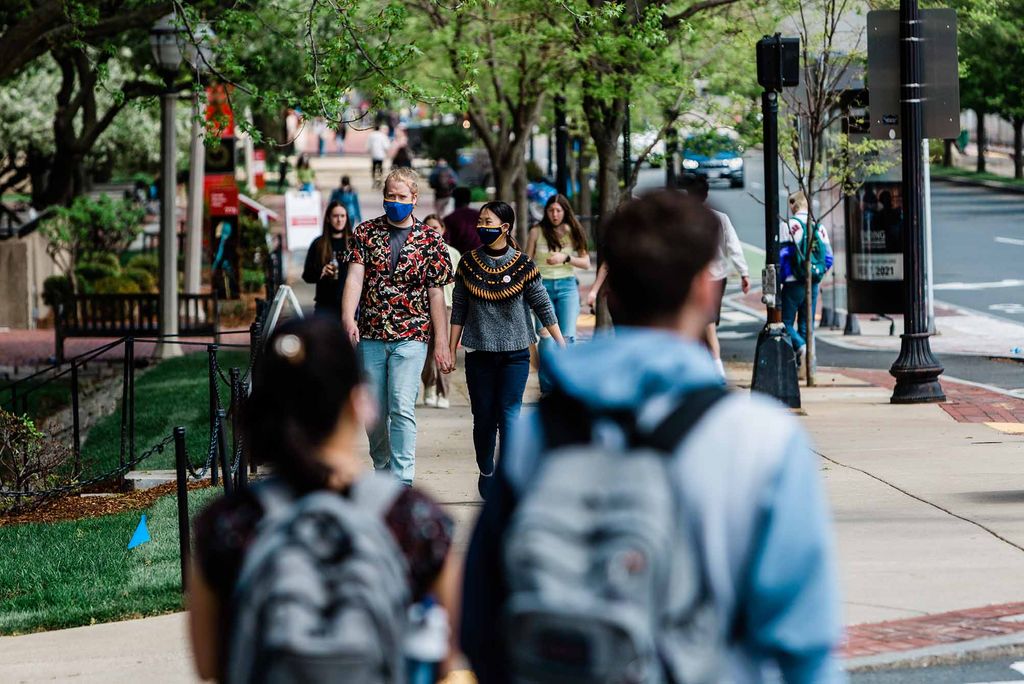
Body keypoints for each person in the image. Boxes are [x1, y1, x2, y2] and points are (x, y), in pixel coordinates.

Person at [459, 190, 844, 684]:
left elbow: (482, 621)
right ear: (705, 294)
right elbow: (802, 645)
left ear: (613, 291)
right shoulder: (759, 439)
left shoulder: (539, 433)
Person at [187, 317, 458, 682]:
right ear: (361, 404)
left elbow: (210, 665)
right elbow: (444, 658)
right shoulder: (414, 520)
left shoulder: (227, 524)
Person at [341, 168, 454, 486]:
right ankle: (383, 468)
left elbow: (437, 294)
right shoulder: (365, 233)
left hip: (412, 336)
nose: (394, 201)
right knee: (375, 411)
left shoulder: (430, 240)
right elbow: (354, 278)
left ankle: (402, 480)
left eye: (401, 197)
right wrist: (348, 317)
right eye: (389, 195)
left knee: (402, 405)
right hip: (372, 333)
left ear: (414, 199)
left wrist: (442, 343)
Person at [446, 201, 564, 499]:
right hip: (480, 354)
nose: (482, 226)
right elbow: (459, 308)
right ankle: (487, 469)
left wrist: (561, 343)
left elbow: (542, 305)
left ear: (505, 227)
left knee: (509, 414)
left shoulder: (524, 264)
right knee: (484, 417)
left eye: (488, 221)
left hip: (515, 354)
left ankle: (510, 476)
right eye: (481, 221)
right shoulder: (469, 263)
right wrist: (449, 348)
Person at [525, 193, 591, 395]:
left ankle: (566, 387)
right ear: (545, 212)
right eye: (551, 210)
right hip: (541, 288)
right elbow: (527, 261)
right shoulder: (536, 231)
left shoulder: (573, 231)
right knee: (546, 338)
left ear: (565, 211)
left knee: (568, 337)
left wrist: (566, 257)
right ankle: (547, 389)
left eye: (558, 210)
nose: (554, 214)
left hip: (567, 287)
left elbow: (586, 263)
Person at [688, 174, 750, 378]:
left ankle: (710, 366)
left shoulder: (684, 218)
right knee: (708, 324)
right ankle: (715, 367)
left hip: (691, 278)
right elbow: (734, 247)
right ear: (706, 194)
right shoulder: (720, 218)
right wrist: (744, 272)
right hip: (716, 277)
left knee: (701, 324)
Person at [779, 191, 834, 367]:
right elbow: (829, 258)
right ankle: (807, 366)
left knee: (784, 322)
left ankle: (801, 348)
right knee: (806, 324)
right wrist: (817, 273)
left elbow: (782, 255)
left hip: (793, 282)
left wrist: (785, 277)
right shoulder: (819, 227)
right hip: (813, 282)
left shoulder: (788, 225)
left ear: (792, 206)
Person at [421, 213, 461, 410]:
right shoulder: (418, 252)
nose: (432, 231)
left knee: (445, 349)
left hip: (447, 306)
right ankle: (428, 386)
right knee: (426, 352)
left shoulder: (453, 254)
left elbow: (460, 285)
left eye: (435, 227)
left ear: (443, 230)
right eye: (428, 227)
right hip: (423, 308)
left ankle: (443, 393)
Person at [301, 201, 352, 318]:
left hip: (349, 307)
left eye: (342, 216)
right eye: (335, 216)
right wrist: (321, 271)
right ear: (328, 218)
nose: (339, 220)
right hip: (324, 307)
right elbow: (307, 276)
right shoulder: (318, 244)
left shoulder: (354, 243)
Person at [443, 187, 481, 255]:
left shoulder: (450, 219)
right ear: (469, 200)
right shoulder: (480, 216)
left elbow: (445, 240)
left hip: (460, 255)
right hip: (480, 254)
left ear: (455, 200)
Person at [368, 124, 391, 189]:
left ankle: (374, 181)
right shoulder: (382, 135)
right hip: (381, 155)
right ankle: (379, 181)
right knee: (380, 168)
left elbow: (369, 145)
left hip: (374, 154)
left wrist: (369, 150)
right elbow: (386, 146)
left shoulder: (371, 135)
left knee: (374, 168)